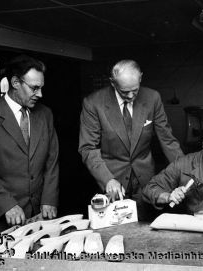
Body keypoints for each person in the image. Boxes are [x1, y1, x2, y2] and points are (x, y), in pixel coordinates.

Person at [78, 59, 183, 219]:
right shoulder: (93, 103)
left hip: (146, 180)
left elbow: (167, 140)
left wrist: (186, 171)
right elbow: (88, 149)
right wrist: (108, 180)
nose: (131, 96)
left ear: (140, 78)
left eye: (135, 90)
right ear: (112, 83)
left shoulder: (153, 98)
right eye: (124, 92)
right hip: (113, 182)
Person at [0, 55, 59, 241]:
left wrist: (49, 199)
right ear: (15, 83)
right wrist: (6, 205)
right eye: (34, 88)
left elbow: (52, 162)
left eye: (41, 87)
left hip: (38, 218)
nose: (40, 94)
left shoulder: (45, 114)